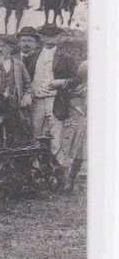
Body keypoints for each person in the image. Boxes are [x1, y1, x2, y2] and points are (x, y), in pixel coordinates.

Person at [30, 23, 78, 160]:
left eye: (54, 35)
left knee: (56, 138)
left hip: (55, 100)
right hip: (37, 101)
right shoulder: (33, 57)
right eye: (48, 35)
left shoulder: (65, 57)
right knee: (35, 135)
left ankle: (58, 172)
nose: (51, 38)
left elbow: (77, 79)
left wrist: (62, 82)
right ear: (42, 37)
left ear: (58, 37)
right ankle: (36, 170)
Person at [55, 60, 87, 192]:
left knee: (81, 151)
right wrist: (75, 106)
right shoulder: (74, 84)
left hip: (85, 120)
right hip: (73, 119)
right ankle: (61, 182)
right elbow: (67, 98)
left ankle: (71, 182)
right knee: (66, 149)